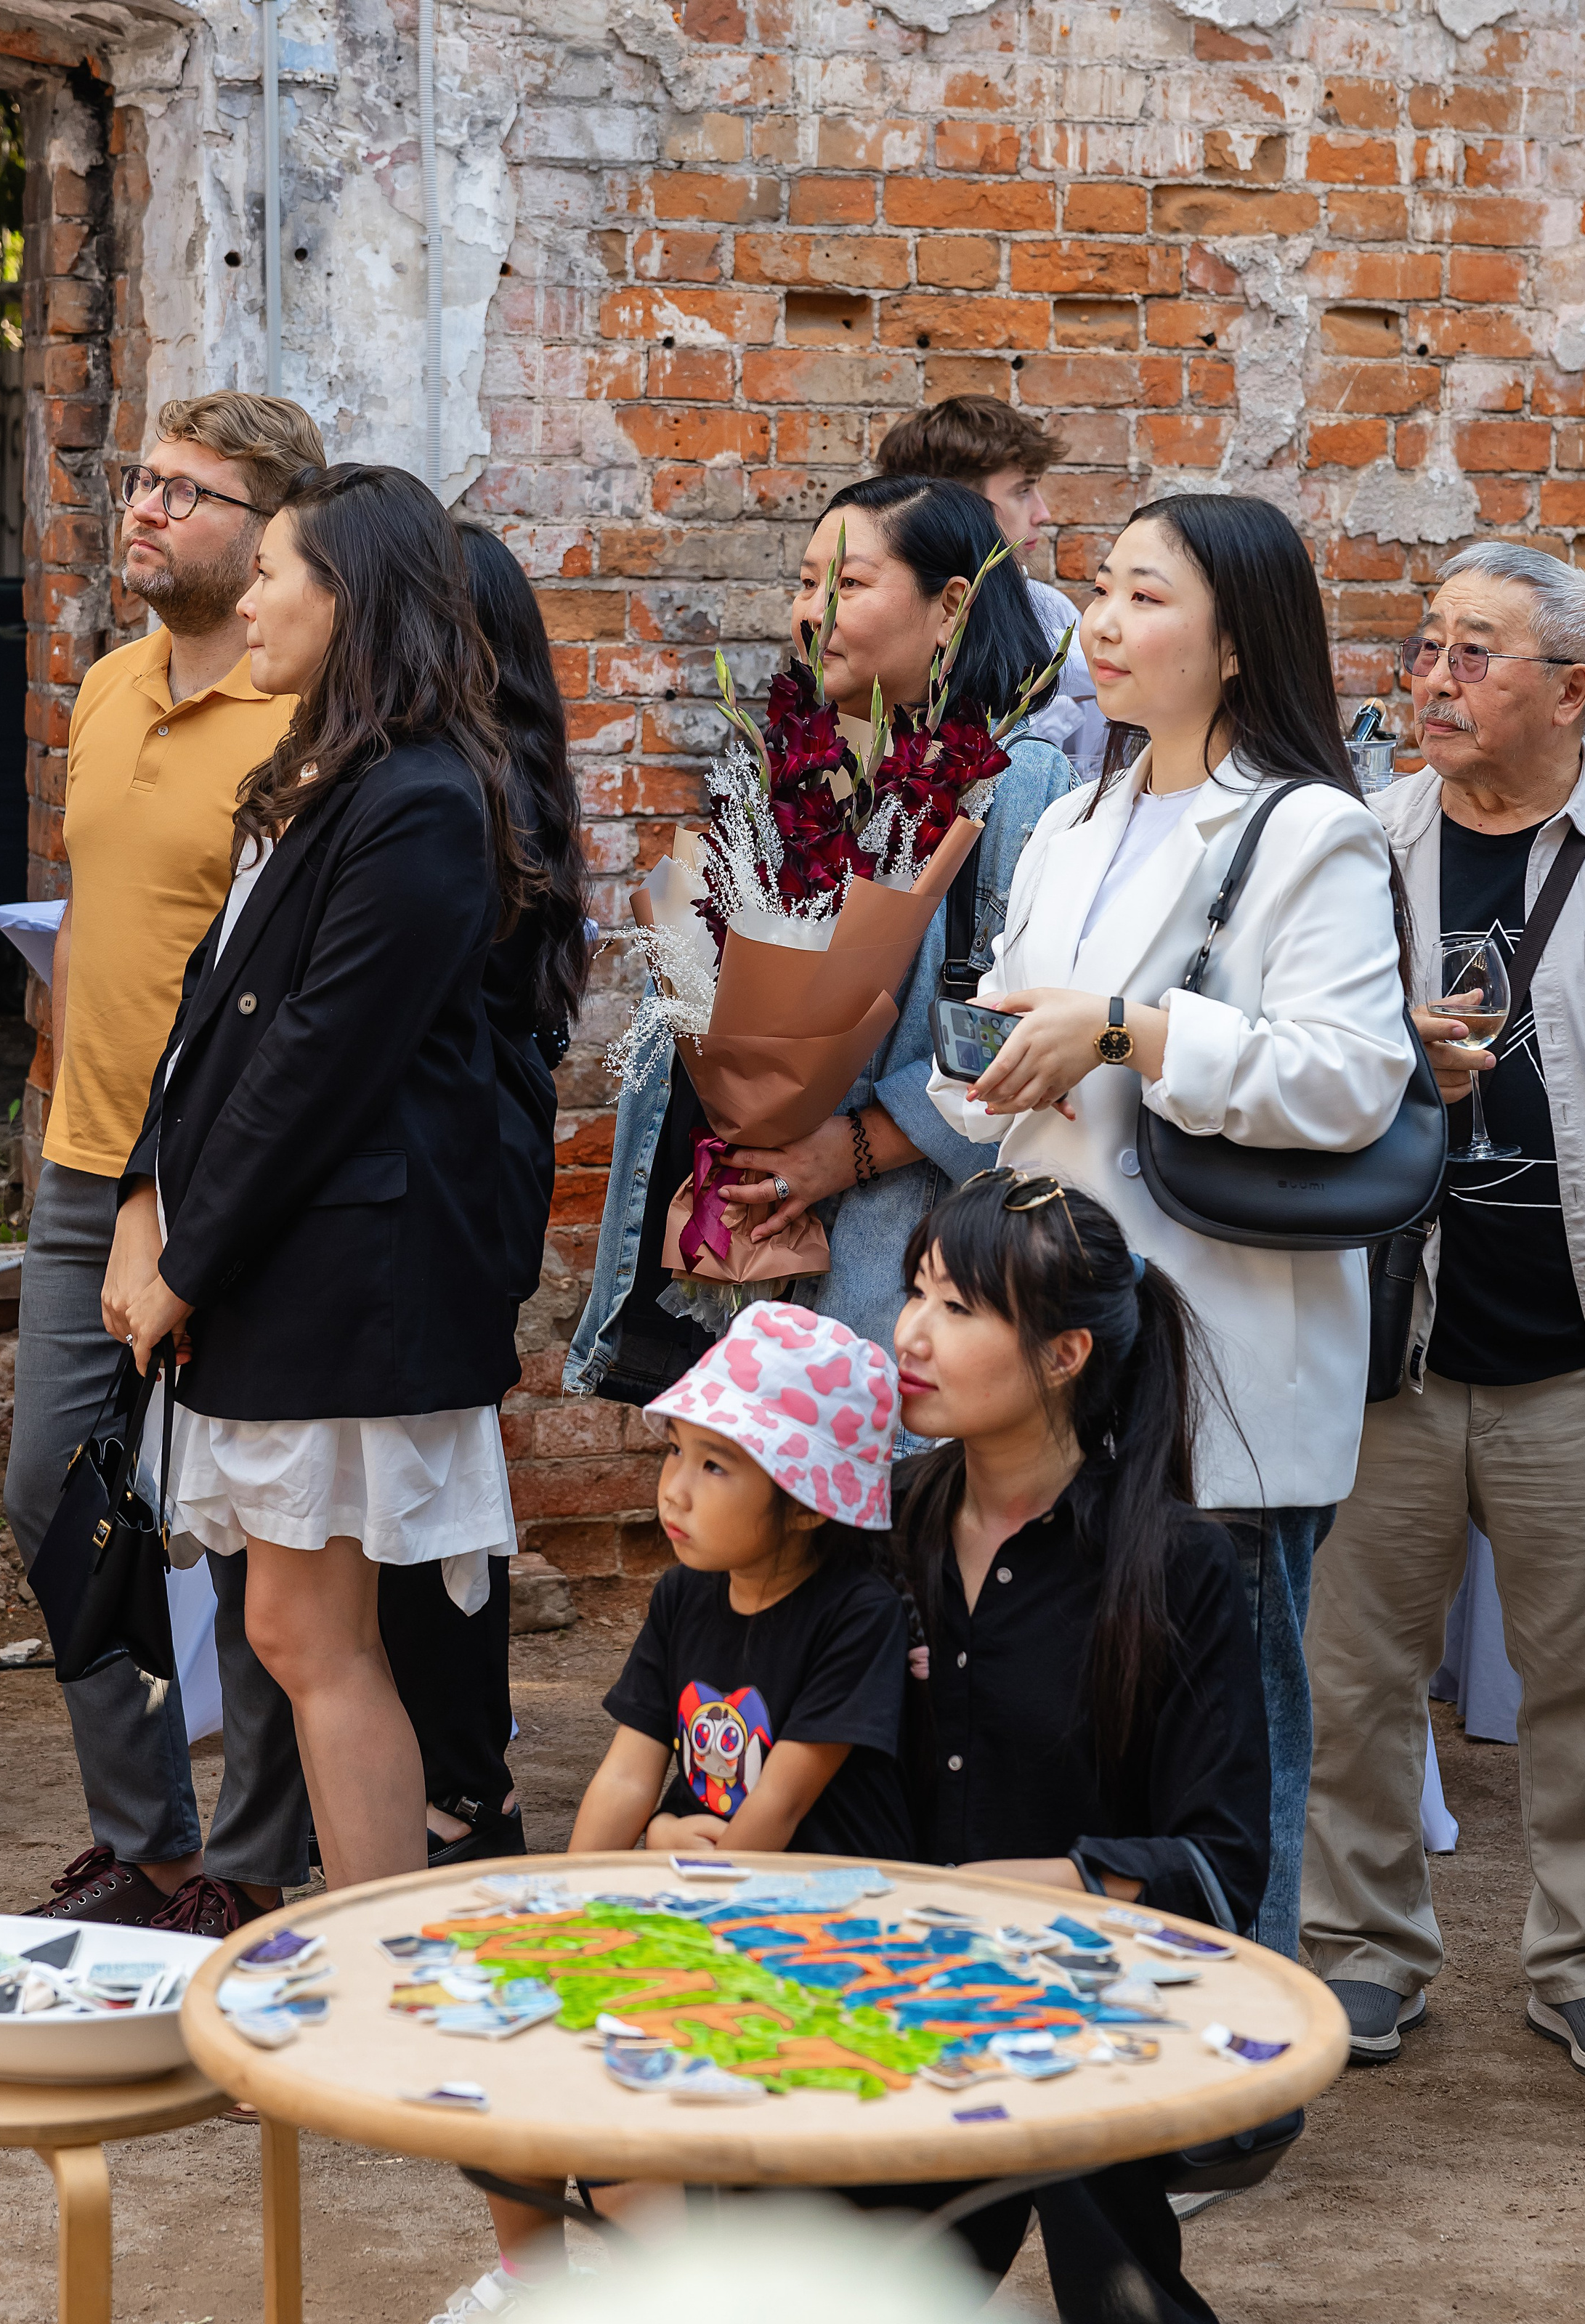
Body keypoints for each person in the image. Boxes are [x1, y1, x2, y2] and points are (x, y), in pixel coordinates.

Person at [925, 492, 1415, 1960]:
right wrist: (982, 1068)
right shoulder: (1075, 816)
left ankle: (1228, 2067)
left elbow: (1344, 1080)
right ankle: (1100, 2015)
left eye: (1144, 596)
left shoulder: (1304, 829)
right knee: (1086, 1709)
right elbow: (1022, 1051)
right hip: (1060, 1336)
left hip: (1221, 1353)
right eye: (1100, 588)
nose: (1102, 623)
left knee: (1229, 1724)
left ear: (1233, 643)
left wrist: (1130, 1031)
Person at [1302, 545, 1585, 2087]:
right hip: (1381, 1344)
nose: (1430, 678)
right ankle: (1360, 1949)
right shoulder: (1350, 845)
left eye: (1471, 654)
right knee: (1351, 1674)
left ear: (1571, 689)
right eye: (1422, 649)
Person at [110, 461, 532, 1893]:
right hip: (284, 1260)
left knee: (315, 1636)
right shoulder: (314, 774)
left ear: (347, 597)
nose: (254, 595)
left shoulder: (418, 798)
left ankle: (379, 1947)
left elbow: (315, 1066)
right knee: (304, 1633)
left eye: (279, 569)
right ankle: (375, 1945)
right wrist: (140, 1199)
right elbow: (210, 1015)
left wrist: (186, 1261)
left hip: (350, 1277)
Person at [4, 391, 327, 1935]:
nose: (145, 508)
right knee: (50, 1497)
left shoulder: (303, 713)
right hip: (84, 1168)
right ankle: (150, 1839)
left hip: (226, 1187)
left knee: (252, 1524)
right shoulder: (115, 684)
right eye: (143, 479)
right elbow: (94, 917)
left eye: (190, 493)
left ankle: (257, 1863)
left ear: (271, 535)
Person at [567, 474, 1074, 1405]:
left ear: (949, 604)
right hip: (761, 1263)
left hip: (908, 1263)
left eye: (845, 585)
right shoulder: (785, 777)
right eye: (806, 585)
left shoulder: (1020, 788)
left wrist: (859, 1145)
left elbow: (1025, 1032)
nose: (812, 611)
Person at [861, 1170, 1267, 2323]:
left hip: (1094, 2008)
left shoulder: (1174, 1565)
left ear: (1064, 1355)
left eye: (958, 1307)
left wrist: (1003, 1897)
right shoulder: (885, 1528)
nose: (911, 1334)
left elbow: (1219, 1861)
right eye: (917, 1293)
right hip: (891, 2000)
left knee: (1115, 2275)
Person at [466, 1304, 912, 2315]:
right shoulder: (684, 1599)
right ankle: (527, 2280)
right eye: (677, 1451)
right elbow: (630, 1772)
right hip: (690, 1889)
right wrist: (570, 1904)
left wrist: (665, 1885)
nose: (675, 1487)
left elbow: (781, 1808)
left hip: (810, 1919)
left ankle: (674, 2285)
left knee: (630, 2087)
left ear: (804, 1502)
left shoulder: (856, 1616)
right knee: (514, 2025)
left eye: (718, 1465)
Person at [378, 524, 593, 1870]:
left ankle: (466, 1790)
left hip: (454, 1176)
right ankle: (457, 1782)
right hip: (480, 1161)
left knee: (433, 1490)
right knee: (426, 1488)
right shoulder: (488, 776)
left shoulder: (461, 792)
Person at [876, 394, 1104, 762]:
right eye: (1023, 491)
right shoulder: (877, 613)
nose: (1042, 513)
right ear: (960, 505)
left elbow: (1091, 763)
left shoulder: (1047, 611)